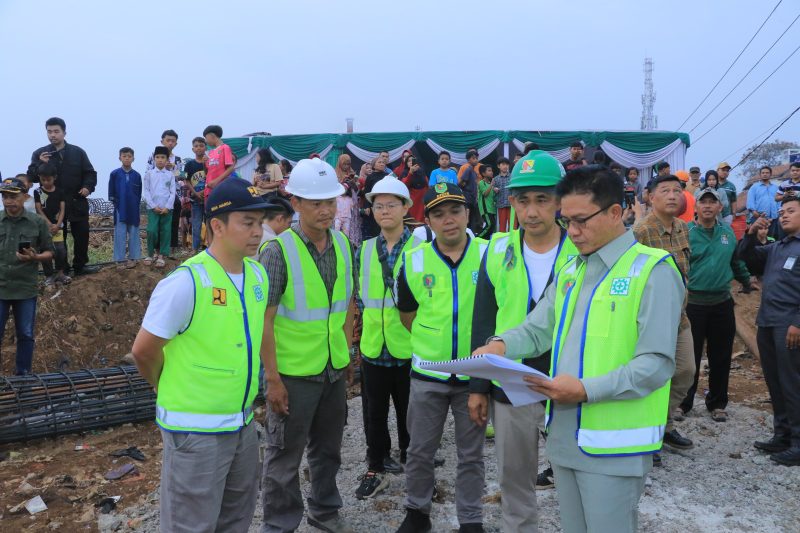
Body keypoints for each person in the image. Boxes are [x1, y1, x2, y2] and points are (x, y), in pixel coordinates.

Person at [473, 165, 683, 533]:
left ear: (616, 213)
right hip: (566, 439)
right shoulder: (573, 269)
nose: (571, 231)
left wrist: (586, 389)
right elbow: (539, 327)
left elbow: (657, 364)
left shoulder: (652, 271)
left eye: (581, 220)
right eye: (566, 220)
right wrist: (501, 345)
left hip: (615, 448)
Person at [131, 178, 270, 532]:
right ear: (217, 227)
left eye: (260, 222)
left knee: (235, 519)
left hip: (241, 423)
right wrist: (164, 384)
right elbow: (144, 351)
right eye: (247, 223)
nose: (258, 232)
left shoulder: (257, 274)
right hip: (195, 432)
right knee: (190, 525)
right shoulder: (186, 283)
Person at [469, 151, 578, 532]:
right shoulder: (497, 249)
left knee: (573, 475)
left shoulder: (581, 250)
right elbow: (482, 319)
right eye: (523, 200)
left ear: (560, 200)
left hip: (566, 383)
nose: (532, 212)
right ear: (511, 201)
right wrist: (479, 386)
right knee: (515, 480)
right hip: (510, 384)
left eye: (542, 199)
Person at [258, 158, 357, 533]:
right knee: (284, 456)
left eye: (330, 201)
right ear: (295, 203)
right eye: (315, 202)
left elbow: (347, 304)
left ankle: (324, 510)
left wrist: (347, 353)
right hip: (293, 374)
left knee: (328, 449)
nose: (325, 210)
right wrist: (273, 379)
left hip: (332, 369)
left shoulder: (346, 246)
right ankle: (280, 525)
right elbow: (265, 319)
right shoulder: (278, 252)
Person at [394, 182, 488, 533]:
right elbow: (407, 313)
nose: (448, 220)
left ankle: (471, 518)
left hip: (473, 377)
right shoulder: (414, 259)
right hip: (428, 374)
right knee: (420, 450)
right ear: (427, 221)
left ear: (467, 213)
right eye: (438, 213)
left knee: (472, 454)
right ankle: (417, 511)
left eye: (454, 210)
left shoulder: (488, 254)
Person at [354, 177, 423, 500]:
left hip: (409, 347)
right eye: (378, 205)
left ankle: (415, 462)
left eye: (391, 205)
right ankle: (376, 464)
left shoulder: (422, 249)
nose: (384, 211)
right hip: (373, 346)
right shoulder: (365, 250)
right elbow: (358, 295)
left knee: (411, 411)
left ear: (406, 207)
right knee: (374, 413)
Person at [633, 174, 695, 453]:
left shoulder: (683, 228)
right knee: (654, 377)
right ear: (651, 197)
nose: (673, 195)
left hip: (680, 318)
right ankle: (648, 436)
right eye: (666, 190)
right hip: (651, 321)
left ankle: (664, 425)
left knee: (685, 371)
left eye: (677, 191)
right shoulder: (641, 232)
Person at [680, 188, 752, 421]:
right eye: (704, 202)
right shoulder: (686, 233)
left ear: (721, 207)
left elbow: (736, 261)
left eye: (714, 202)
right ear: (697, 207)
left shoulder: (728, 233)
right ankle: (683, 403)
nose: (709, 206)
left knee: (720, 356)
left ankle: (717, 403)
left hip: (722, 303)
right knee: (689, 357)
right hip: (693, 304)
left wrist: (746, 281)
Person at [739, 201, 800, 466]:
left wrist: (798, 322)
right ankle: (782, 434)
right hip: (767, 323)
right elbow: (747, 258)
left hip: (790, 326)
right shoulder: (778, 247)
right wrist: (751, 234)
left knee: (792, 383)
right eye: (782, 212)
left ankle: (798, 443)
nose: (784, 215)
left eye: (791, 211)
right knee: (775, 381)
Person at [27, 117, 98, 275]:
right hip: (53, 205)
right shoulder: (40, 153)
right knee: (58, 238)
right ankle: (62, 269)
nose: (53, 135)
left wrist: (87, 187)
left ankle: (81, 266)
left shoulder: (78, 152)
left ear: (64, 132)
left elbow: (90, 173)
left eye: (56, 131)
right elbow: (31, 177)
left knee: (82, 234)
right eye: (49, 131)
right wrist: (40, 164)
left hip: (76, 200)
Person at [0, 177, 54, 375]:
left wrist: (35, 257)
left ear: (24, 197)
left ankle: (23, 377)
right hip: (1, 287)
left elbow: (50, 252)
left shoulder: (37, 223)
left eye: (13, 196)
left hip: (25, 289)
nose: (8, 201)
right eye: (5, 196)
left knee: (25, 334)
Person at [147, 130, 183, 255]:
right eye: (168, 140)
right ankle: (156, 250)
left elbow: (183, 175)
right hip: (156, 193)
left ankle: (171, 246)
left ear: (176, 143)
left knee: (173, 220)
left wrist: (172, 168)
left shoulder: (177, 159)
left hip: (173, 193)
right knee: (155, 225)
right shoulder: (153, 156)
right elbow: (148, 171)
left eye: (173, 141)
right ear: (162, 141)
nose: (170, 143)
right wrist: (161, 166)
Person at [33, 164, 68, 285]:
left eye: (48, 179)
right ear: (39, 178)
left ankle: (60, 273)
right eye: (43, 180)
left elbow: (62, 209)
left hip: (58, 227)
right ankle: (49, 276)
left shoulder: (60, 191)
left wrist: (58, 225)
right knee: (45, 250)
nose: (46, 182)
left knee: (61, 250)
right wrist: (49, 224)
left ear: (55, 178)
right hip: (44, 228)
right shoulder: (37, 191)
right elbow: (39, 209)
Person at [109, 147, 142, 268]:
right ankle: (120, 260)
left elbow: (138, 194)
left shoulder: (137, 176)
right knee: (120, 233)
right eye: (124, 156)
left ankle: (133, 258)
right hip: (120, 208)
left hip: (133, 209)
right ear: (120, 158)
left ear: (133, 158)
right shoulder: (114, 174)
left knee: (134, 232)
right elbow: (111, 193)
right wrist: (116, 205)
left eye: (129, 156)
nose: (127, 158)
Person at [143, 146, 176, 268]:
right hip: (153, 209)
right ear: (154, 158)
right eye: (158, 157)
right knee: (151, 231)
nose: (160, 160)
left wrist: (168, 206)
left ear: (167, 159)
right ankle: (150, 254)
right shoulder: (149, 174)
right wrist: (152, 206)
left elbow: (173, 192)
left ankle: (162, 256)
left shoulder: (170, 175)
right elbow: (146, 191)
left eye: (163, 157)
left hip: (167, 209)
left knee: (165, 231)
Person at [183, 137, 208, 252]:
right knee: (196, 224)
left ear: (205, 147)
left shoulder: (209, 162)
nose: (199, 148)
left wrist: (206, 164)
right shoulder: (189, 165)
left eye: (201, 145)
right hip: (195, 199)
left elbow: (212, 178)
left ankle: (210, 248)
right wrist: (195, 193)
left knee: (210, 224)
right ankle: (195, 249)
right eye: (196, 146)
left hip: (209, 198)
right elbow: (187, 180)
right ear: (193, 149)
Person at [334, 154, 361, 246]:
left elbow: (357, 189)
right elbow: (334, 188)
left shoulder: (352, 173)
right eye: (344, 164)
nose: (346, 167)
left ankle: (349, 244)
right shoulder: (335, 173)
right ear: (339, 163)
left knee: (349, 225)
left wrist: (353, 182)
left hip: (350, 201)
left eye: (348, 164)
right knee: (337, 225)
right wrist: (342, 182)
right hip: (339, 202)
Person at [204, 125, 236, 200]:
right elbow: (208, 171)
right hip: (209, 189)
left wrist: (216, 181)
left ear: (212, 135)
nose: (206, 141)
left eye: (206, 137)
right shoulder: (211, 152)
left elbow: (231, 167)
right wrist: (204, 162)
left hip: (220, 188)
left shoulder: (225, 148)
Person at [747, 165, 779, 233]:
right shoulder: (754, 187)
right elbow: (750, 200)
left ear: (770, 174)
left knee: (772, 239)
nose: (765, 174)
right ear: (760, 174)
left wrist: (779, 212)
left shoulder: (776, 187)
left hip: (773, 218)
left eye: (767, 173)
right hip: (758, 217)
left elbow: (779, 201)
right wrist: (753, 211)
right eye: (763, 173)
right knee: (757, 238)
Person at [458, 149, 481, 232]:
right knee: (468, 218)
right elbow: (460, 183)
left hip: (473, 198)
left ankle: (471, 234)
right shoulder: (468, 169)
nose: (475, 160)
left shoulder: (474, 172)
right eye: (473, 158)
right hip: (468, 198)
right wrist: (466, 189)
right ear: (468, 160)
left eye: (476, 158)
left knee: (472, 219)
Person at [401, 156, 428, 223]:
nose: (411, 162)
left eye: (412, 160)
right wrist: (410, 173)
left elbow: (427, 183)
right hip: (413, 200)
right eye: (409, 161)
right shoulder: (404, 172)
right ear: (406, 163)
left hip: (423, 199)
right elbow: (404, 185)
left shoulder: (421, 171)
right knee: (414, 219)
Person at [476, 164, 496, 239]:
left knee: (492, 226)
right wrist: (491, 186)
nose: (491, 172)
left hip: (491, 209)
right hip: (486, 209)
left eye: (491, 170)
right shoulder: (481, 183)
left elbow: (492, 196)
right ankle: (477, 238)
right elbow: (485, 194)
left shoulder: (490, 184)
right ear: (483, 173)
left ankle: (485, 240)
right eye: (489, 171)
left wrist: (494, 190)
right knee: (489, 224)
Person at [493, 157, 512, 232]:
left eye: (507, 164)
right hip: (501, 205)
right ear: (498, 166)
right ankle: (503, 242)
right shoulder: (495, 179)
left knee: (513, 226)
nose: (505, 166)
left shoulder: (512, 176)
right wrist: (494, 190)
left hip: (511, 205)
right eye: (503, 164)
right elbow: (492, 193)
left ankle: (513, 242)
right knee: (502, 226)